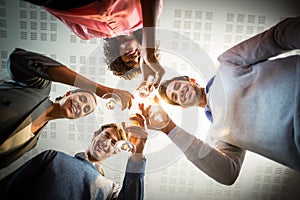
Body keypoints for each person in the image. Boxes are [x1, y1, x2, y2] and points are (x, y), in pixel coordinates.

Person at [143, 16, 299, 185]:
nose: (180, 92)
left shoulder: (227, 64)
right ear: (184, 106)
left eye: (179, 85)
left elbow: (276, 37)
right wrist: (169, 128)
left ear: (191, 80)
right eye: (175, 97)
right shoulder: (218, 136)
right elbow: (227, 174)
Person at [0, 48, 132, 168]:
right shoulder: (39, 88)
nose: (81, 106)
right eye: (81, 99)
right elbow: (17, 59)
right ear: (68, 94)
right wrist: (99, 89)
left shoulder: (32, 142)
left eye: (85, 110)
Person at [22, 0, 166, 86]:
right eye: (140, 58)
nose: (134, 58)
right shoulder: (145, 17)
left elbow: (58, 12)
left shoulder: (88, 34)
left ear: (119, 59)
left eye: (129, 63)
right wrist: (149, 50)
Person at [0, 122, 148, 199]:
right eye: (105, 136)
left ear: (116, 152)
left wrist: (138, 154)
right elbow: (10, 187)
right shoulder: (54, 156)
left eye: (114, 143)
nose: (106, 143)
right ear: (95, 134)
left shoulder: (111, 189)